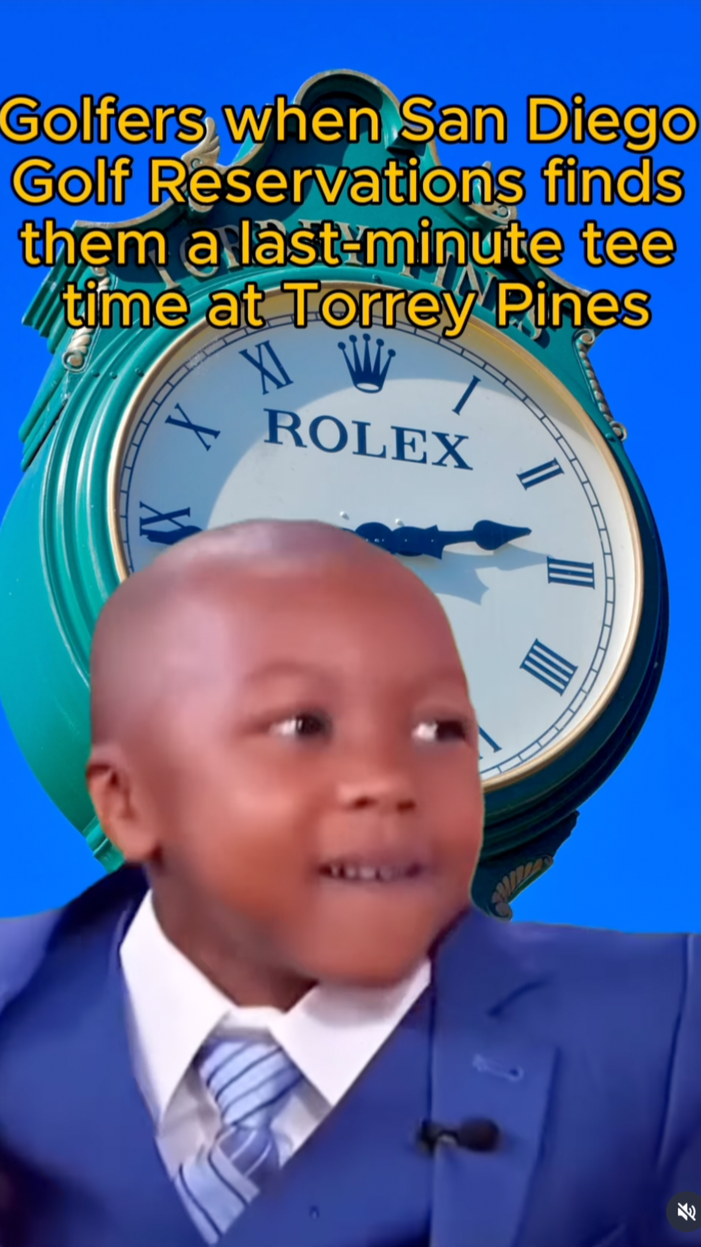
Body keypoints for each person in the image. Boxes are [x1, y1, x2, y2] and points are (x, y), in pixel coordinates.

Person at [0, 519, 698, 1247]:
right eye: (303, 725)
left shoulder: (663, 1029)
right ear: (129, 801)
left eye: (439, 730)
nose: (388, 781)